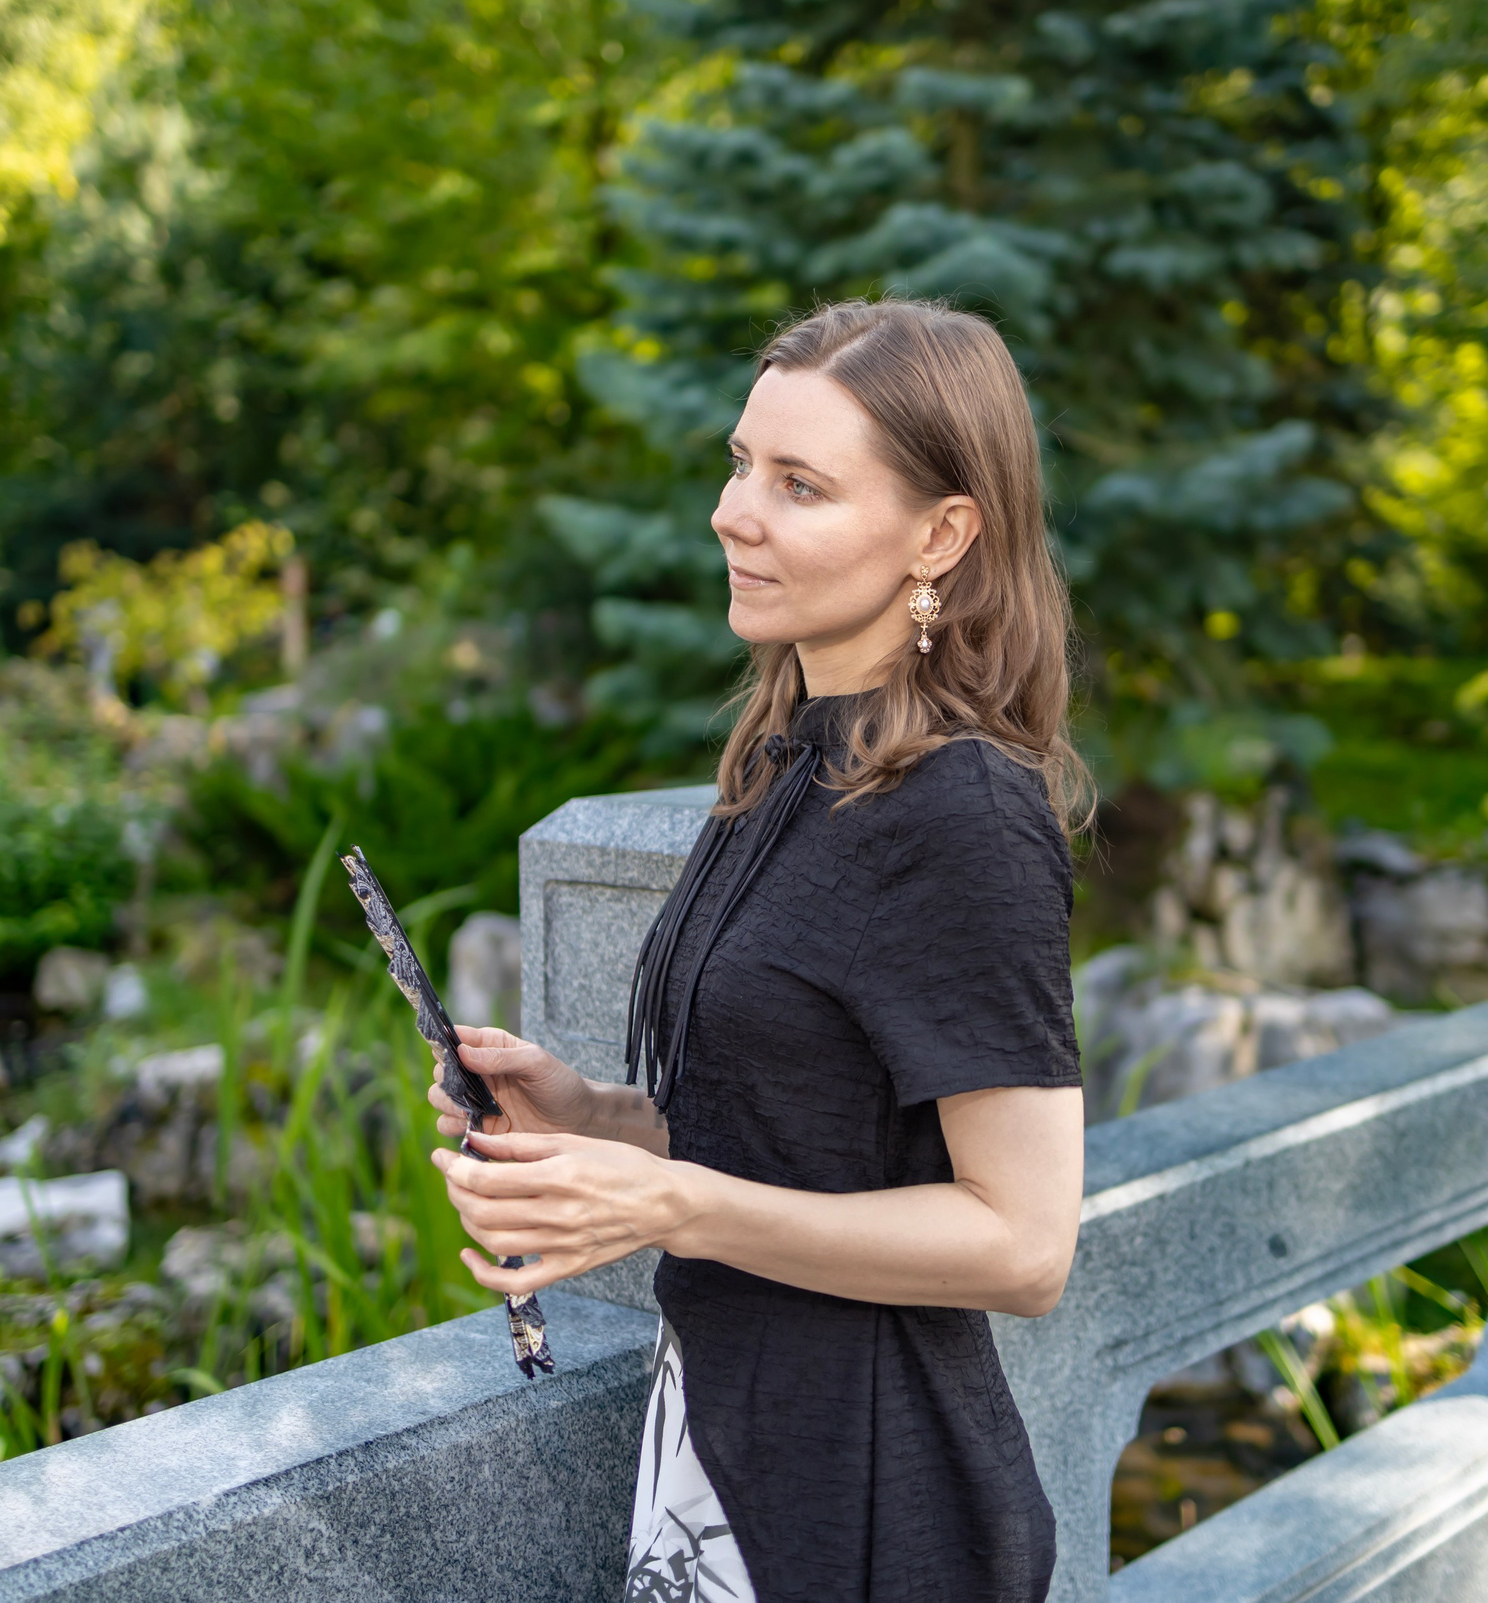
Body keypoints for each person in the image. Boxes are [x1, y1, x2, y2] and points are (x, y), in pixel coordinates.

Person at [427, 297, 1090, 1603]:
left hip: (868, 1510)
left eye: (800, 484)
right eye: (741, 465)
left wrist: (673, 1206)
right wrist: (603, 1120)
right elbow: (809, 1139)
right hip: (730, 1455)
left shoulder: (967, 813)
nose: (736, 513)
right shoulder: (787, 759)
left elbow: (1025, 1245)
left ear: (942, 532)